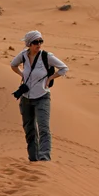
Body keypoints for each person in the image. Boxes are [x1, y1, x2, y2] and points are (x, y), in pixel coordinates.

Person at [10, 30, 68, 162]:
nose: (39, 44)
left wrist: (50, 78)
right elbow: (13, 65)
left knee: (43, 128)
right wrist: (22, 75)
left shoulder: (46, 56)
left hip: (42, 97)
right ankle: (33, 160)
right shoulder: (23, 56)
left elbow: (64, 68)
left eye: (40, 41)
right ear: (29, 44)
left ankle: (44, 159)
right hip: (26, 98)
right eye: (36, 42)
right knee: (29, 130)